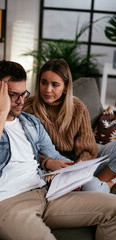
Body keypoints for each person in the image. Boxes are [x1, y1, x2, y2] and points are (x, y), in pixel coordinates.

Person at [0, 60, 116, 240]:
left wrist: (70, 170)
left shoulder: (30, 122)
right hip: (6, 204)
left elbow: (53, 155)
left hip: (45, 193)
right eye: (13, 95)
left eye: (23, 94)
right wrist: (1, 113)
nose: (20, 101)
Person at [23, 58, 116, 193]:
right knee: (92, 189)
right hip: (52, 167)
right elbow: (25, 149)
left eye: (55, 85)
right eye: (44, 83)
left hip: (79, 164)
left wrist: (81, 164)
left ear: (65, 86)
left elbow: (88, 147)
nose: (48, 90)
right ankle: (106, 184)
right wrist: (48, 162)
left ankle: (100, 182)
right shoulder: (28, 108)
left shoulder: (77, 107)